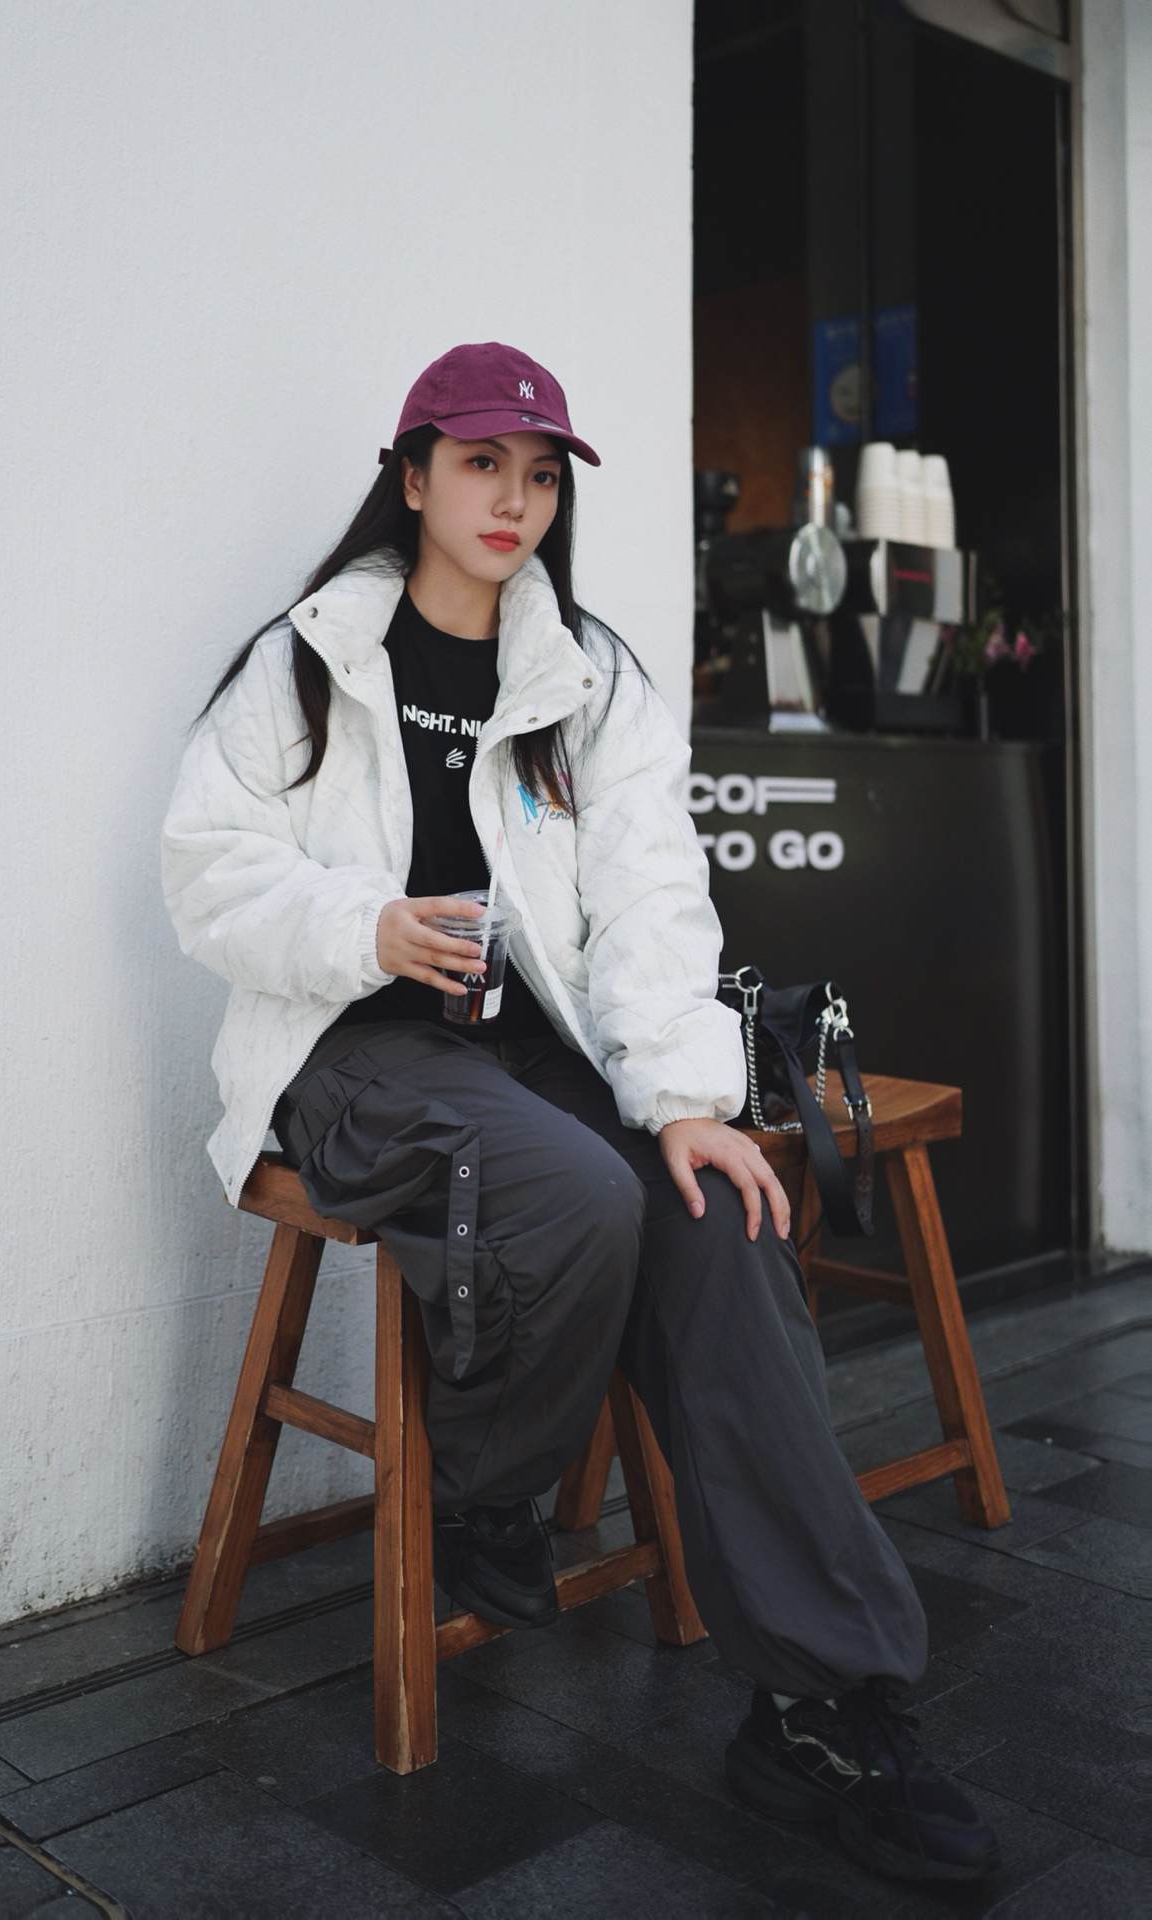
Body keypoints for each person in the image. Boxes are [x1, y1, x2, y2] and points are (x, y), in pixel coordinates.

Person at [162, 341, 998, 1884]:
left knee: (714, 1211)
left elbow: (650, 895)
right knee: (570, 1191)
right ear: (411, 475)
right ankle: (487, 1494)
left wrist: (682, 1099)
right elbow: (204, 875)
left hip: (528, 1053)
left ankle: (823, 1704)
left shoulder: (587, 676)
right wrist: (366, 926)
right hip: (350, 1046)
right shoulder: (308, 657)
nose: (514, 499)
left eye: (540, 474)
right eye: (482, 464)